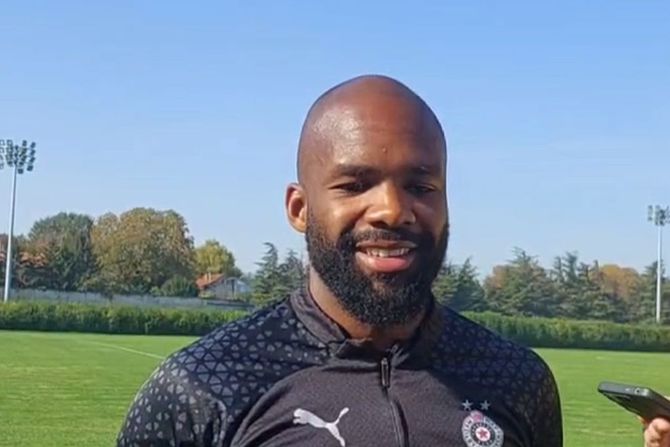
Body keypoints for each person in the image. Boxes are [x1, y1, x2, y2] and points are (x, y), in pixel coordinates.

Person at [117, 75, 563, 446]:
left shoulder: (516, 380)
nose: (392, 210)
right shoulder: (202, 387)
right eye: (354, 185)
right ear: (299, 209)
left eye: (421, 187)